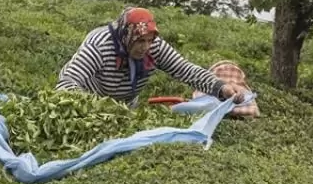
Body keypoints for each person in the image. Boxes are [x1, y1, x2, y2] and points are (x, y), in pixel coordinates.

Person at [56, 7, 260, 119]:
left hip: (125, 110)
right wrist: (92, 109)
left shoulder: (154, 46)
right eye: (139, 41)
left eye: (149, 41)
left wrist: (221, 88)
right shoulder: (100, 45)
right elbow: (68, 80)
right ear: (126, 36)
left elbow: (186, 70)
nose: (145, 47)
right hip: (89, 107)